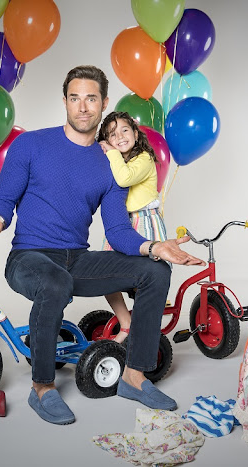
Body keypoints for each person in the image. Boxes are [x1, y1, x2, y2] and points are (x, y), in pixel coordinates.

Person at [0, 65, 205, 426]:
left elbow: (118, 231)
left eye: (91, 98)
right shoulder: (31, 144)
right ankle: (42, 388)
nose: (83, 106)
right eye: (75, 98)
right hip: (29, 257)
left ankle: (134, 376)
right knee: (54, 282)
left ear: (104, 103)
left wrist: (154, 247)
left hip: (76, 259)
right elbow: (4, 199)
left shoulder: (109, 164)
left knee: (154, 271)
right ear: (64, 101)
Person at [97, 111, 167, 344]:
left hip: (144, 222)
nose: (119, 137)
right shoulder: (115, 161)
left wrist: (111, 151)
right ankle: (126, 322)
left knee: (146, 278)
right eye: (112, 134)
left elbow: (124, 178)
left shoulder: (144, 158)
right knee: (105, 275)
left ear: (136, 134)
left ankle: (144, 330)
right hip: (120, 223)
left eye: (124, 130)